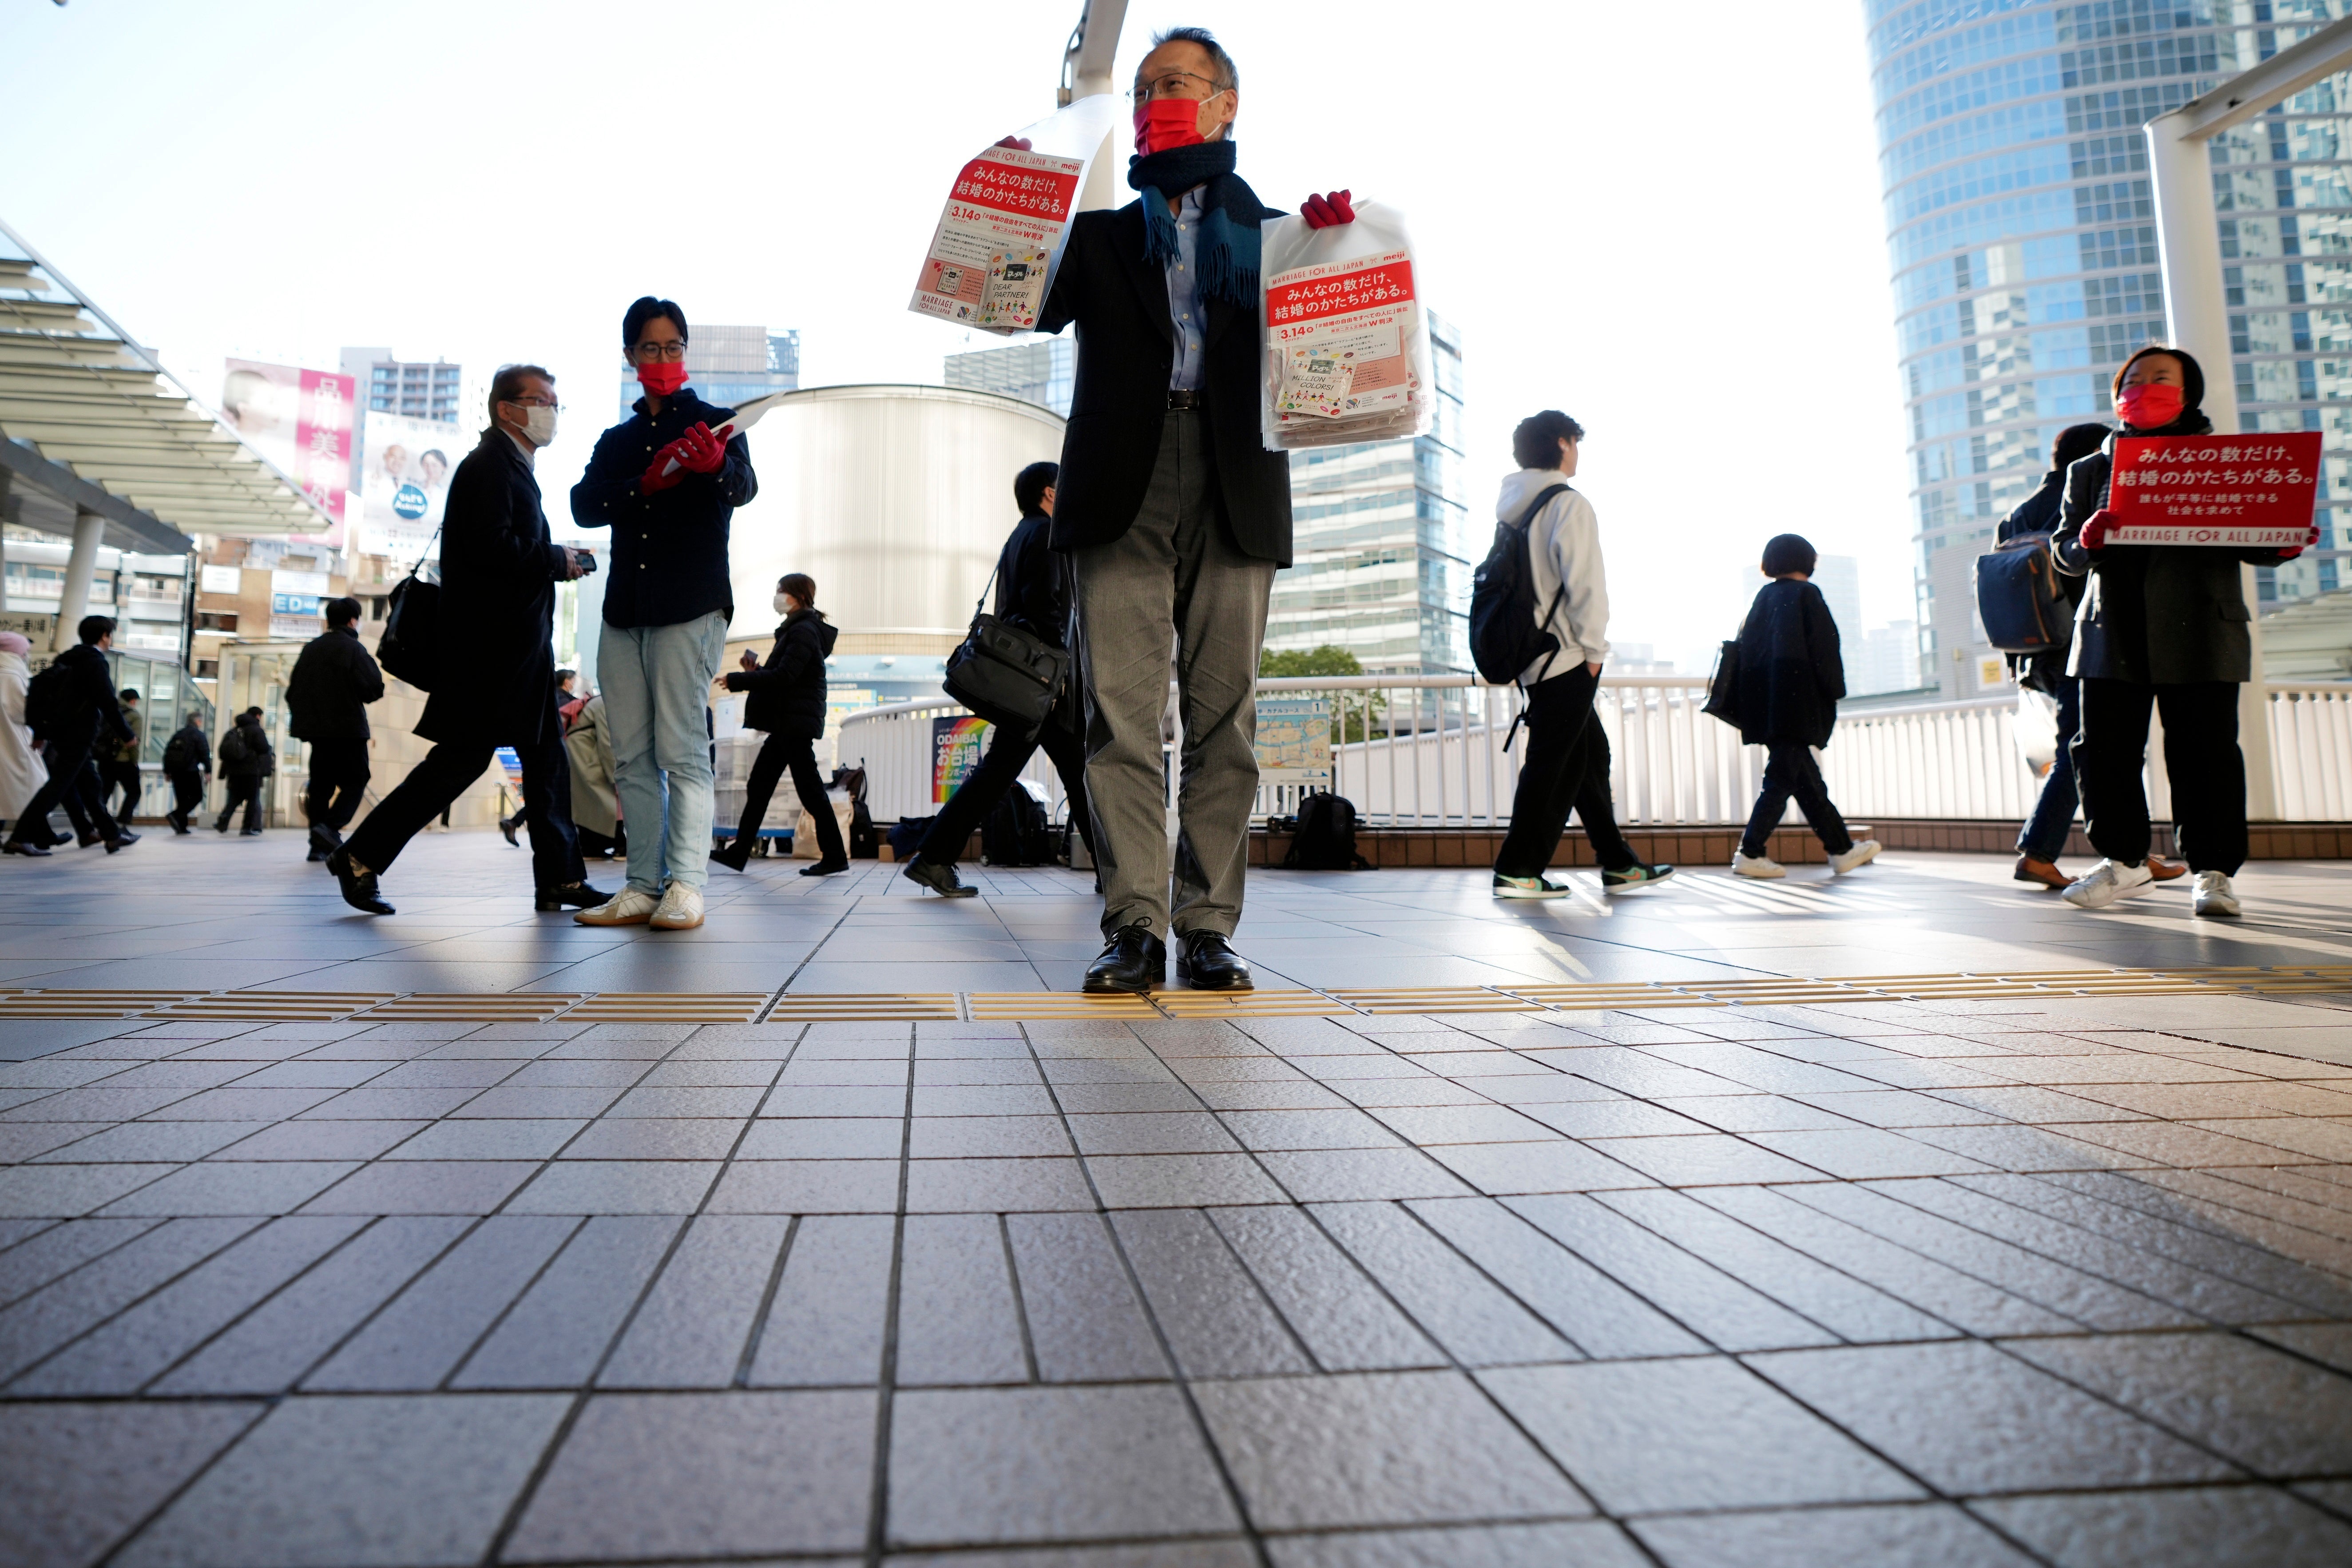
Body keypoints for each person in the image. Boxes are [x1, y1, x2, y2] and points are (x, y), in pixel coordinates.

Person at [1035, 25, 1353, 993]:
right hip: (1120, 483)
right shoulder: (1096, 236)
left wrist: (1332, 250)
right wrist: (1022, 205)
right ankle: (1133, 923)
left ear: (1225, 105)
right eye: (1143, 90)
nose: (1155, 101)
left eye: (1176, 82)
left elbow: (1333, 357)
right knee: (1118, 721)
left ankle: (1206, 925)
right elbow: (1013, 300)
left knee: (1226, 721)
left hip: (1234, 478)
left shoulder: (1278, 236)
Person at [325, 364, 605, 917]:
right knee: (461, 762)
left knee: (545, 761)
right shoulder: (488, 467)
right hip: (492, 654)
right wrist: (558, 559)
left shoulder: (512, 466)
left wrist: (555, 560)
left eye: (554, 402)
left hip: (516, 650)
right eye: (540, 400)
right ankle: (359, 856)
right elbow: (488, 548)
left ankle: (561, 880)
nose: (551, 412)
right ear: (508, 409)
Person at [2051, 345, 2314, 918]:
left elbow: (2258, 538)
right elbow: (2063, 553)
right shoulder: (2090, 469)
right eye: (2134, 380)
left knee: (2206, 754)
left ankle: (2212, 872)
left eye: (2160, 379)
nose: (2144, 388)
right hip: (2110, 630)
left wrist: (2284, 541)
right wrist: (2085, 543)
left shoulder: (2225, 463)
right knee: (2102, 751)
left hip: (2200, 626)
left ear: (2187, 393)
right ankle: (2122, 863)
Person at [570, 297, 758, 933]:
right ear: (630, 356)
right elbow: (583, 505)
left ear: (685, 352)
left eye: (673, 347)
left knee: (683, 750)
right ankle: (641, 886)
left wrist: (713, 466)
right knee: (632, 756)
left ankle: (688, 884)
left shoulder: (717, 422)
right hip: (625, 609)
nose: (662, 359)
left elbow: (743, 487)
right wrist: (641, 486)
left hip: (691, 605)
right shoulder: (618, 441)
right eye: (650, 348)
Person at [1999, 424, 2192, 893]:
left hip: (2033, 650)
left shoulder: (2017, 514)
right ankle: (2039, 852)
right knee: (2092, 748)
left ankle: (2132, 849)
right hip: (2083, 644)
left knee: (2102, 745)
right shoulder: (2086, 492)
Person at [1486, 412, 1668, 898]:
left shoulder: (1512, 506)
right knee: (1551, 766)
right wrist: (1594, 651)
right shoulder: (1567, 504)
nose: (1577, 453)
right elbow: (1585, 583)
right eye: (1575, 443)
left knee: (1588, 756)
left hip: (1532, 654)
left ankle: (1618, 863)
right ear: (1563, 444)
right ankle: (1517, 869)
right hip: (1565, 655)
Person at [902, 463, 1097, 897]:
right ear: (1049, 493)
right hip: (1042, 684)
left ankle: (932, 858)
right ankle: (932, 858)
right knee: (1066, 772)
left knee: (1057, 770)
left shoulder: (1020, 534)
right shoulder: (1046, 534)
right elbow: (1044, 607)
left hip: (1023, 682)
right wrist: (1059, 673)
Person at [1731, 535, 1881, 879]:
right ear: (1804, 560)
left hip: (1765, 705)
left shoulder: (1761, 598)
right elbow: (1825, 649)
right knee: (1781, 779)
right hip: (1796, 703)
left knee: (1806, 781)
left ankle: (1841, 849)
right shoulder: (1807, 595)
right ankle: (1750, 851)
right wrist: (1833, 691)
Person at [712, 573, 849, 874]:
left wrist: (738, 679)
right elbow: (787, 677)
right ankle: (739, 852)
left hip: (793, 723)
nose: (777, 597)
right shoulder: (798, 630)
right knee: (761, 785)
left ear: (797, 596)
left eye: (781, 592)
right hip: (788, 722)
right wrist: (757, 671)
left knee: (808, 790)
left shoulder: (802, 631)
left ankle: (835, 856)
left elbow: (785, 677)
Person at [4, 615, 135, 856]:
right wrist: (127, 734)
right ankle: (19, 837)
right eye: (110, 634)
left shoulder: (67, 659)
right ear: (104, 636)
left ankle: (110, 835)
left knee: (91, 785)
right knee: (57, 787)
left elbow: (40, 694)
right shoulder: (94, 662)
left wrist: (41, 732)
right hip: (80, 733)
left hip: (60, 732)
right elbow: (107, 702)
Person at [286, 596, 385, 862]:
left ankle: (317, 846)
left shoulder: (311, 649)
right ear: (353, 620)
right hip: (349, 731)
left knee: (321, 786)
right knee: (357, 780)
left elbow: (293, 692)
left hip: (318, 734)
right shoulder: (353, 649)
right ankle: (329, 828)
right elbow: (374, 688)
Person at [500, 667, 576, 846]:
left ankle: (515, 822)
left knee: (544, 793)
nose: (574, 684)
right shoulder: (563, 700)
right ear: (567, 682)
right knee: (551, 795)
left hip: (536, 745)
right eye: (573, 680)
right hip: (560, 749)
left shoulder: (549, 697)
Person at [565, 690, 623, 859]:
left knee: (587, 803)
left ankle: (591, 848)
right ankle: (621, 845)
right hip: (586, 754)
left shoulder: (597, 701)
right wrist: (615, 775)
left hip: (578, 753)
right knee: (611, 800)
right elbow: (607, 743)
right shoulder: (605, 703)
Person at [0, 631, 43, 835]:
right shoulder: (12, 675)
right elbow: (23, 712)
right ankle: (29, 836)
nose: (27, 655)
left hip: (6, 740)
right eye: (25, 651)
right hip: (14, 740)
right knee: (33, 786)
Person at [215, 707, 273, 835]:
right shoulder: (256, 730)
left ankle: (223, 821)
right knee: (252, 799)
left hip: (234, 771)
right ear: (258, 716)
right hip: (250, 771)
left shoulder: (234, 730)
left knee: (235, 798)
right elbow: (263, 748)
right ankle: (246, 827)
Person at [162, 709, 210, 834]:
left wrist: (167, 771)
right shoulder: (199, 735)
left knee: (182, 799)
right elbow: (205, 754)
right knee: (197, 796)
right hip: (191, 771)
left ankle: (182, 827)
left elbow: (168, 753)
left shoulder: (178, 734)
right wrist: (208, 771)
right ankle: (176, 815)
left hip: (176, 772)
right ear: (198, 721)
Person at [103, 690, 144, 818]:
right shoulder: (134, 715)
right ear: (132, 700)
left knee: (104, 793)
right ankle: (123, 822)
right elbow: (134, 742)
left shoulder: (108, 711)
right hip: (124, 760)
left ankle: (99, 822)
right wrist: (134, 761)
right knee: (134, 792)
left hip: (105, 759)